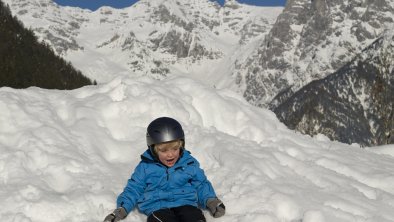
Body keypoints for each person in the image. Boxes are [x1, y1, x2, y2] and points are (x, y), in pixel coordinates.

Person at [104, 117, 225, 222]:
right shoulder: (145, 167)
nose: (170, 155)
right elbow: (134, 189)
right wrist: (122, 209)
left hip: (186, 203)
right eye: (164, 150)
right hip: (157, 207)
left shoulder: (188, 163)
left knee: (194, 217)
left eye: (175, 149)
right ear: (153, 149)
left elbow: (201, 184)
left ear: (182, 145)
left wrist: (211, 201)